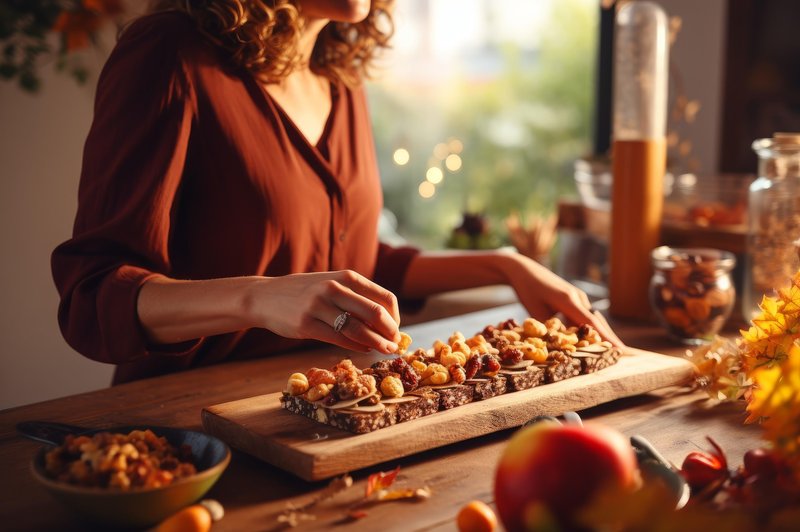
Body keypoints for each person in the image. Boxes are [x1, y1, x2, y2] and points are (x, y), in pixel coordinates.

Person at [52, 0, 622, 385]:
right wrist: (258, 297)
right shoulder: (170, 53)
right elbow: (92, 296)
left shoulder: (339, 79)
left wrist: (506, 265)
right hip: (186, 435)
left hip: (328, 410)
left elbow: (348, 268)